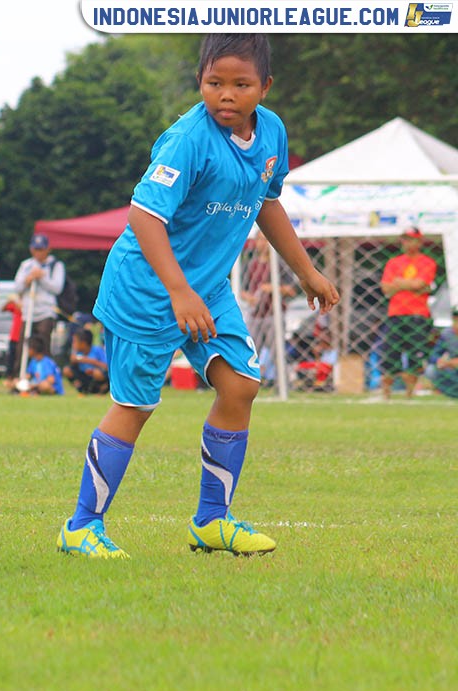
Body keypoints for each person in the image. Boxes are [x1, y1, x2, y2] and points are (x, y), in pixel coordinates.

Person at [57, 34, 339, 559]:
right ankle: (81, 527)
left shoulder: (271, 131)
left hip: (204, 290)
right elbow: (144, 216)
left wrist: (307, 272)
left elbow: (266, 201)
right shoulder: (188, 139)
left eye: (241, 84)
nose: (226, 95)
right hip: (146, 289)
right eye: (215, 83)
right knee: (135, 406)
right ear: (199, 82)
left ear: (265, 87)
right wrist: (178, 291)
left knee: (240, 386)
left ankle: (212, 520)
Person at [379, 227, 437, 399]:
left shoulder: (428, 262)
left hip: (418, 314)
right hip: (395, 313)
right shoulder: (393, 262)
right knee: (389, 353)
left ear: (419, 242)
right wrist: (411, 285)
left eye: (411, 239)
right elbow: (386, 288)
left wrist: (399, 283)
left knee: (415, 354)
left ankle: (409, 394)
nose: (407, 243)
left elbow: (421, 284)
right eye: (405, 239)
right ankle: (386, 395)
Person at [241, 235, 296, 386]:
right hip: (255, 314)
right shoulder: (251, 264)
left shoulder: (279, 264)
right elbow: (242, 290)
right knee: (249, 351)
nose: (262, 243)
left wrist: (272, 288)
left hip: (274, 314)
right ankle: (246, 383)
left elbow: (291, 290)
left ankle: (283, 384)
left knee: (277, 352)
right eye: (259, 240)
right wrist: (250, 298)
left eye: (265, 239)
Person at [13, 233, 64, 356]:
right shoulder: (26, 265)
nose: (38, 253)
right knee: (23, 345)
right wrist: (28, 279)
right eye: (35, 249)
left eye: (41, 249)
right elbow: (17, 287)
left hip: (46, 312)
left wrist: (42, 278)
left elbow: (57, 288)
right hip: (28, 312)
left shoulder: (56, 265)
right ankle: (21, 372)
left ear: (48, 249)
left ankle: (44, 371)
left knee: (43, 343)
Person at [63, 327, 109, 395]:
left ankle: (101, 390)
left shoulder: (97, 350)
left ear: (83, 343)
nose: (73, 344)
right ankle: (82, 389)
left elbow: (106, 366)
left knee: (97, 373)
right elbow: (72, 359)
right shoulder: (77, 352)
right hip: (84, 377)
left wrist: (90, 361)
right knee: (67, 370)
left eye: (75, 342)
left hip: (96, 377)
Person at [425, 308, 458, 398]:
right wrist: (441, 361)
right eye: (455, 319)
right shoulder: (447, 334)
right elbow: (433, 355)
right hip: (453, 368)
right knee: (431, 370)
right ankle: (452, 393)